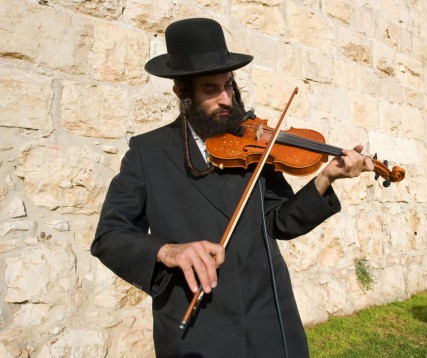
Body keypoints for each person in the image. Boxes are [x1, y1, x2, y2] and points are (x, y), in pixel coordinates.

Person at [91, 18, 374, 358]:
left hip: (270, 322)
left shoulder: (255, 145)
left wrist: (326, 178)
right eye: (211, 89)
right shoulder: (147, 153)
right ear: (182, 93)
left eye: (229, 85)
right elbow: (110, 236)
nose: (226, 99)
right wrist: (167, 251)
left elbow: (280, 222)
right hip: (199, 331)